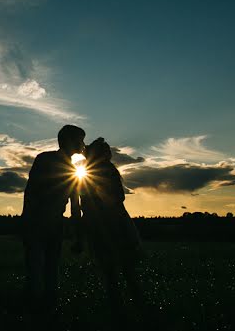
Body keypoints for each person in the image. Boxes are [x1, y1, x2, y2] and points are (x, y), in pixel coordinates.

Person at [21, 124, 86, 308]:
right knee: (37, 268)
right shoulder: (44, 160)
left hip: (54, 223)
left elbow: (75, 205)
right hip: (37, 221)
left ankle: (46, 308)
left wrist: (77, 234)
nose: (83, 145)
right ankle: (35, 309)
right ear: (69, 141)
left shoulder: (71, 169)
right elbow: (32, 192)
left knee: (50, 268)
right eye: (80, 140)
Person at [79, 137, 146, 310]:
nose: (110, 153)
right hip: (113, 222)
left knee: (112, 270)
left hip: (104, 223)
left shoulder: (90, 172)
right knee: (125, 268)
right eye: (107, 150)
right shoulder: (106, 170)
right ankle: (135, 306)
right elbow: (117, 197)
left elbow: (88, 202)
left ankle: (121, 307)